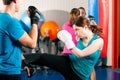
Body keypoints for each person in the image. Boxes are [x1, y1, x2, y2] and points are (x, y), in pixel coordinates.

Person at [24, 16, 103, 80]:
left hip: (78, 76)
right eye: (74, 30)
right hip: (69, 62)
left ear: (85, 27)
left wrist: (68, 41)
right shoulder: (80, 36)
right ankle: (22, 59)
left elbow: (81, 54)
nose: (75, 33)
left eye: (77, 30)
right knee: (44, 57)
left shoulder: (98, 41)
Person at [0, 0, 40, 80]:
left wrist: (23, 61)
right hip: (9, 73)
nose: (21, 3)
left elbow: (7, 45)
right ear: (15, 1)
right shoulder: (11, 22)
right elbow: (32, 44)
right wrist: (34, 21)